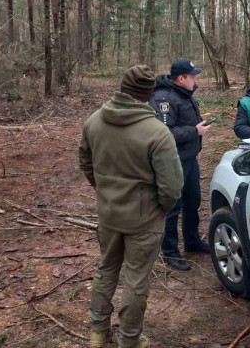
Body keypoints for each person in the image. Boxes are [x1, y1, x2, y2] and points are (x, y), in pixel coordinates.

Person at [79, 65, 184, 348]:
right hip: (144, 220)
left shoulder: (94, 122)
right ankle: (129, 340)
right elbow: (172, 187)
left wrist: (106, 193)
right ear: (148, 94)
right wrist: (160, 208)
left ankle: (98, 333)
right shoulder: (157, 132)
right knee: (136, 280)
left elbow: (86, 164)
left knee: (106, 269)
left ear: (122, 87)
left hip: (109, 215)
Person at [149, 58, 211, 271]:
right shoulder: (163, 99)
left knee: (192, 201)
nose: (196, 80)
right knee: (172, 207)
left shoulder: (185, 95)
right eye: (193, 76)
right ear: (181, 78)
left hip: (189, 159)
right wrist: (195, 131)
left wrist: (196, 149)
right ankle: (170, 251)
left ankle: (193, 241)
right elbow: (164, 133)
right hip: (171, 162)